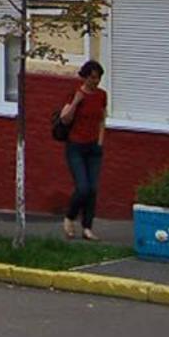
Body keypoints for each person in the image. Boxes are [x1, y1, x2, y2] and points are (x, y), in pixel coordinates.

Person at [60, 60, 108, 240]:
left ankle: (87, 227)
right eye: (93, 78)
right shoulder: (75, 93)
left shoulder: (102, 95)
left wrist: (100, 141)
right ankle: (69, 216)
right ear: (85, 77)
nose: (96, 81)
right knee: (83, 187)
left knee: (93, 188)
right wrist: (76, 102)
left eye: (98, 78)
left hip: (93, 146)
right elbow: (65, 119)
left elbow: (102, 118)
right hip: (75, 146)